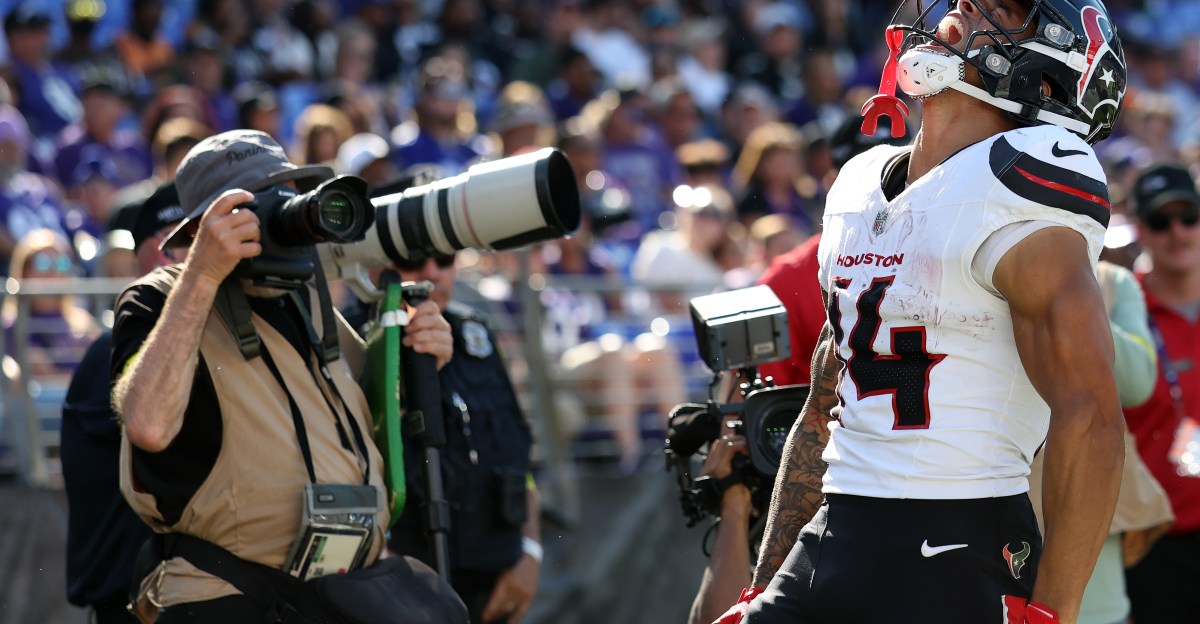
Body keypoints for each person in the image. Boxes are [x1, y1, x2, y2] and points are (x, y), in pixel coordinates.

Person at [717, 1, 1129, 623]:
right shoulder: (859, 185)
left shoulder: (1023, 187)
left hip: (958, 537)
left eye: (1003, 7)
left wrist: (1054, 611)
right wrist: (765, 584)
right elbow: (826, 406)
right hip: (837, 525)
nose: (962, 5)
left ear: (1049, 76)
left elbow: (1092, 414)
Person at [110, 130, 454, 621]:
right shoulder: (159, 299)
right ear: (206, 225)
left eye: (289, 195)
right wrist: (204, 273)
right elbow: (147, 424)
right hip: (225, 599)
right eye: (262, 205)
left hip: (337, 592)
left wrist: (418, 357)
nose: (285, 216)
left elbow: (367, 427)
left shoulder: (304, 297)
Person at [375, 250, 542, 624]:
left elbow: (518, 452)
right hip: (403, 589)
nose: (431, 272)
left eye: (444, 257)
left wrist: (531, 552)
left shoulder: (475, 332)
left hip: (494, 581)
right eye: (411, 256)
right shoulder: (350, 340)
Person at [62, 182, 185, 624]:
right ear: (159, 251)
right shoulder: (113, 346)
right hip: (134, 601)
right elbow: (156, 431)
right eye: (187, 240)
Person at [1026, 259, 1174, 624]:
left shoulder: (1111, 280)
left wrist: (1066, 299)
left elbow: (1138, 380)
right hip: (985, 503)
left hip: (1085, 509)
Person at [1122, 162, 1200, 622]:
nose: (1177, 232)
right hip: (1154, 544)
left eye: (1188, 216)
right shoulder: (1115, 307)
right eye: (1160, 220)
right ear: (1141, 231)